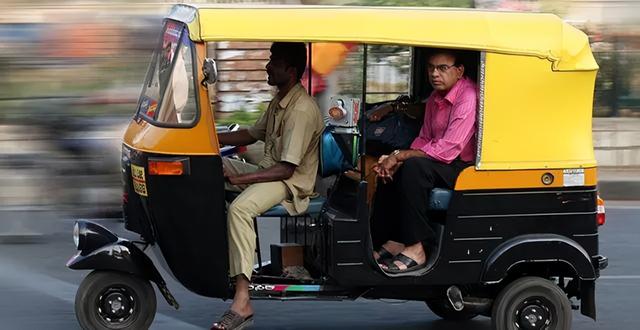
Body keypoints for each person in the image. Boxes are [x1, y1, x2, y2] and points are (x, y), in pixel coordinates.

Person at [212, 42, 324, 329]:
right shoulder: (279, 100)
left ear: (291, 70)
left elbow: (286, 169)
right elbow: (251, 134)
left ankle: (242, 300)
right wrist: (207, 137)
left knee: (239, 209)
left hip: (289, 183)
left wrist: (240, 179)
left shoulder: (300, 109)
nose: (267, 66)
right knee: (209, 170)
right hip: (269, 171)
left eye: (274, 61)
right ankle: (226, 261)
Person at [370, 49, 477, 274]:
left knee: (413, 168)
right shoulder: (435, 98)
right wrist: (394, 159)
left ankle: (417, 247)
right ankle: (393, 239)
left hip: (462, 167)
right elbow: (424, 138)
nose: (434, 74)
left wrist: (401, 156)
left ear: (459, 71)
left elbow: (449, 149)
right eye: (431, 68)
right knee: (390, 169)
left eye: (442, 68)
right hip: (440, 161)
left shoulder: (467, 96)